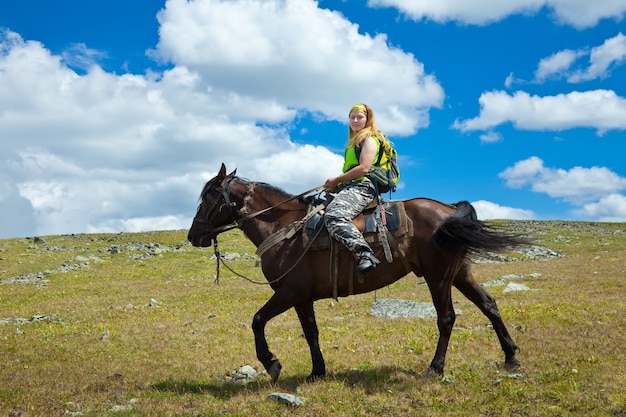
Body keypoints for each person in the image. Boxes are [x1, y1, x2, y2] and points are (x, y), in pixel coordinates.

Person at [324, 103, 389, 275]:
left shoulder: (370, 139)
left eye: (359, 117)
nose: (355, 120)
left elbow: (364, 168)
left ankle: (364, 253)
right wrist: (337, 184)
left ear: (368, 119)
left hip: (363, 186)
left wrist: (337, 179)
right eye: (352, 117)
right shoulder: (353, 143)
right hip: (351, 185)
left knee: (334, 215)